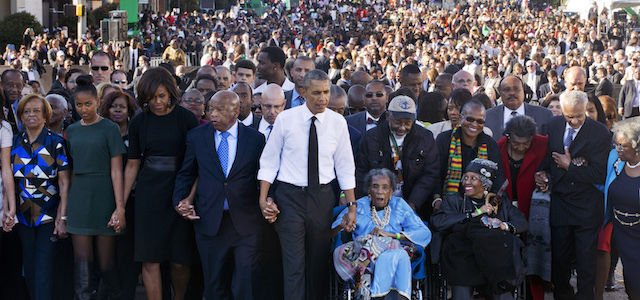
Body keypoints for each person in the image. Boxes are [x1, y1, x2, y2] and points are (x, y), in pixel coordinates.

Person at [257, 70, 357, 299]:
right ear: (302, 93)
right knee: (294, 266)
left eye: (326, 92)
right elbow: (269, 161)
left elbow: (344, 166)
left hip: (322, 198)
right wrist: (263, 199)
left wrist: (352, 206)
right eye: (316, 93)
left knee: (318, 264)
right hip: (289, 198)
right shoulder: (286, 119)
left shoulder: (337, 123)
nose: (323, 98)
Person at [173, 90, 266, 299]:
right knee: (215, 286)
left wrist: (268, 201)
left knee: (245, 283)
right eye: (210, 109)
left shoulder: (255, 139)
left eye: (220, 110)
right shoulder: (197, 137)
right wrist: (180, 202)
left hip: (246, 223)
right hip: (209, 222)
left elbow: (264, 177)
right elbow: (186, 173)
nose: (212, 114)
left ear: (236, 111)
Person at [123, 67, 199, 300]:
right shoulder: (139, 122)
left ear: (171, 93)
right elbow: (132, 165)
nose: (156, 102)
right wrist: (120, 205)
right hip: (149, 196)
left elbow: (198, 164)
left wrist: (189, 198)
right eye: (150, 97)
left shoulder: (187, 118)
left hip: (179, 192)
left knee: (180, 261)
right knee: (150, 259)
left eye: (161, 96)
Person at [535, 90, 611, 300]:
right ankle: (563, 295)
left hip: (587, 205)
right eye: (570, 116)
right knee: (559, 259)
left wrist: (570, 167)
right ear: (562, 111)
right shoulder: (554, 125)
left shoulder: (600, 133)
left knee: (586, 261)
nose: (575, 120)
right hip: (560, 202)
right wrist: (543, 175)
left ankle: (586, 296)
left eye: (579, 115)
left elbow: (600, 174)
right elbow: (549, 160)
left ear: (586, 109)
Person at [65, 75, 127, 300]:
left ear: (98, 101)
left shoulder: (110, 128)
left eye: (88, 104)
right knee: (81, 263)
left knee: (106, 264)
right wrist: (65, 211)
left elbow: (117, 171)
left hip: (105, 197)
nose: (83, 109)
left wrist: (119, 208)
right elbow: (70, 171)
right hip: (79, 198)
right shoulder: (71, 131)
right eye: (79, 105)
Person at [432, 158, 528, 300]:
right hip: (463, 257)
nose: (466, 182)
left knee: (503, 277)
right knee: (461, 269)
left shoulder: (500, 202)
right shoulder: (454, 200)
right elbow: (439, 222)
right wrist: (474, 214)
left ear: (485, 185)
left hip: (494, 259)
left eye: (473, 178)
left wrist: (503, 225)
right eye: (465, 177)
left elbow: (522, 222)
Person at [332, 168, 431, 299]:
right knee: (393, 254)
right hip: (366, 254)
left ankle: (377, 295)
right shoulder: (358, 207)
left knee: (396, 253)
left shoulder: (399, 206)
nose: (380, 191)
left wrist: (391, 236)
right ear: (369, 191)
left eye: (385, 187)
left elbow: (423, 232)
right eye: (375, 187)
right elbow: (334, 231)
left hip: (396, 248)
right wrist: (342, 226)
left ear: (391, 192)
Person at [356, 95, 439, 214]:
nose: (402, 128)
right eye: (397, 122)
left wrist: (413, 202)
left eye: (407, 123)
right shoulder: (371, 137)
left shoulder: (425, 138)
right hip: (377, 203)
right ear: (388, 116)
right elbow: (362, 172)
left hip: (414, 203)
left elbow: (430, 173)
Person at [496, 115, 549, 300]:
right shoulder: (498, 147)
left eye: (525, 143)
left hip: (533, 208)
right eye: (516, 143)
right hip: (506, 209)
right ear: (509, 136)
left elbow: (553, 165)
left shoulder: (543, 144)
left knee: (533, 253)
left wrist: (546, 177)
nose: (520, 147)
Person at [434, 100, 505, 210]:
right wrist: (437, 199)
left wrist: (491, 201)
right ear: (461, 117)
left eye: (480, 121)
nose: (474, 124)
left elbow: (499, 175)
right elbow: (435, 172)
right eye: (470, 119)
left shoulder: (490, 144)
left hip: (480, 206)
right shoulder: (444, 139)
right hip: (448, 204)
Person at [604, 122, 640, 299]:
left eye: (622, 145)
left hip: (638, 233)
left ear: (637, 146)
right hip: (622, 232)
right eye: (616, 144)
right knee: (631, 283)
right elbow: (602, 182)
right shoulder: (614, 159)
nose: (617, 149)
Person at [485, 76, 553, 140]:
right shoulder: (487, 116)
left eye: (516, 89)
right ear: (500, 94)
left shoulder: (544, 115)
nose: (512, 93)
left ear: (523, 91)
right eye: (507, 90)